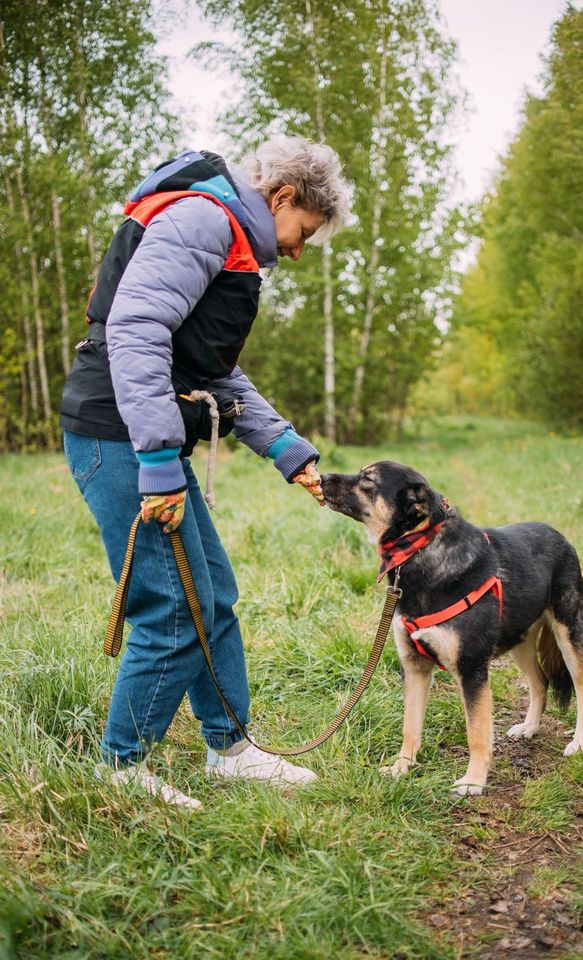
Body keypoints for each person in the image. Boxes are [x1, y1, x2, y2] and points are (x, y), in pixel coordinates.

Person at [60, 136, 350, 808]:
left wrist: (287, 452)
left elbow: (211, 370)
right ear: (281, 197)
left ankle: (230, 748)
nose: (299, 250)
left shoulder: (226, 234)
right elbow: (135, 330)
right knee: (171, 609)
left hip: (140, 438)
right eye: (303, 231)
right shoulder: (204, 221)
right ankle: (122, 768)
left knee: (210, 593)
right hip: (120, 437)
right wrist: (158, 462)